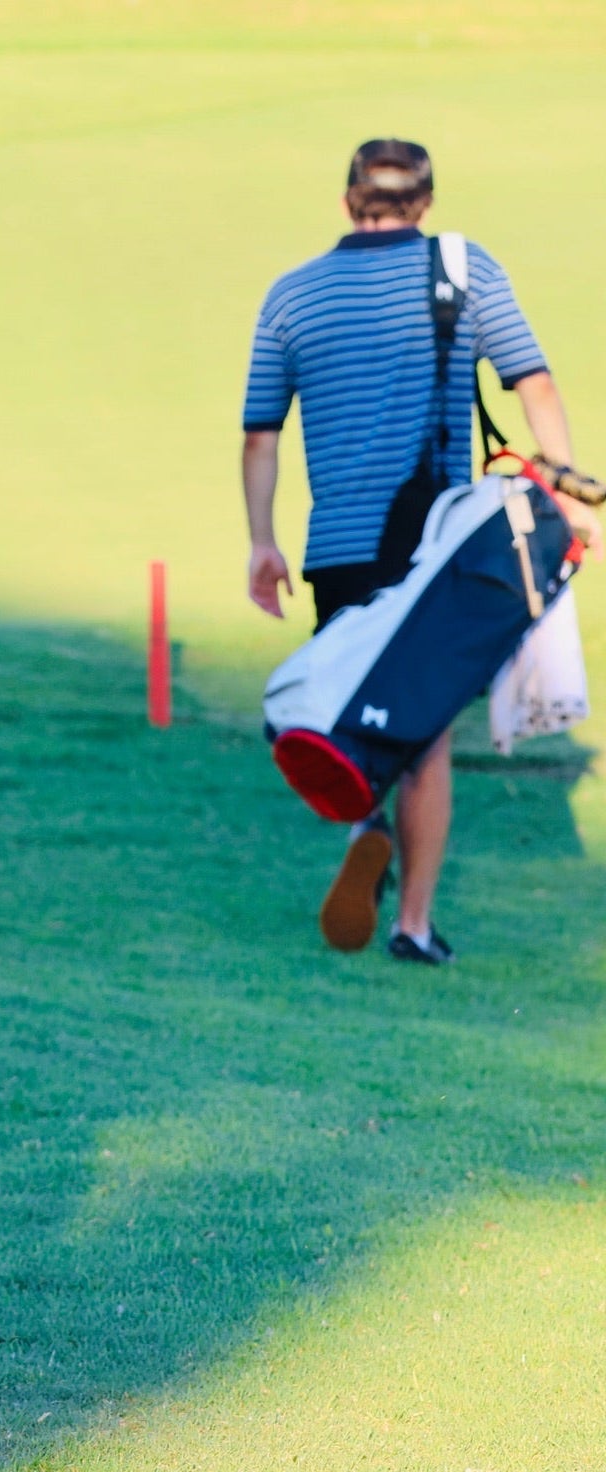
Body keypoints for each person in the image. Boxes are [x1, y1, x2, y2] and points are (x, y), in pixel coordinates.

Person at [241, 137, 601, 964]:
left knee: (356, 700)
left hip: (336, 545)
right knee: (426, 732)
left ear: (346, 202)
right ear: (426, 204)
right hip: (439, 543)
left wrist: (262, 543)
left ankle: (366, 828)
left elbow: (261, 435)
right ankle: (413, 925)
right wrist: (568, 488)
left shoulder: (292, 295)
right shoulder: (467, 270)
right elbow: (531, 382)